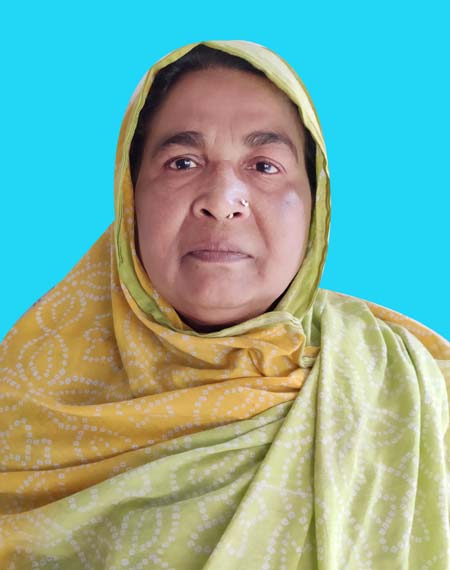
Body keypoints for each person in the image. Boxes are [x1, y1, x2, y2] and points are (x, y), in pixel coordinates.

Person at [0, 40, 449, 569]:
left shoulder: (417, 391)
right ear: (130, 197)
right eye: (182, 162)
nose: (220, 200)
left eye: (264, 165)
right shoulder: (27, 405)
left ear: (315, 204)